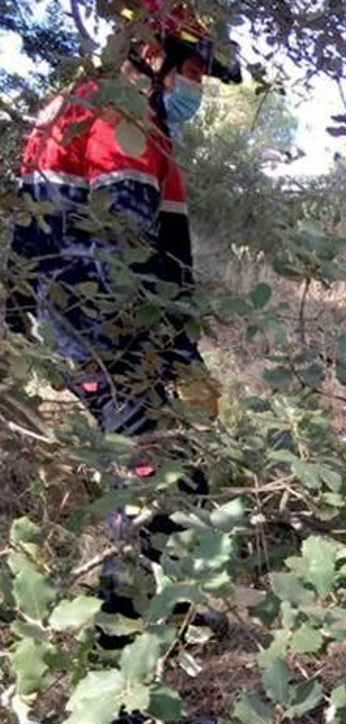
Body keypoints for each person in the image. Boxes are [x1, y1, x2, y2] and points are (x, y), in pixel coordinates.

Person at [8, 1, 239, 662]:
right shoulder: (124, 118)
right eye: (193, 65)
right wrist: (168, 360)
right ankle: (125, 679)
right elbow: (125, 256)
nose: (195, 82)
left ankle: (177, 616)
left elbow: (36, 242)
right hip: (114, 340)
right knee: (147, 492)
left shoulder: (79, 102)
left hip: (86, 332)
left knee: (182, 480)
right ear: (152, 50)